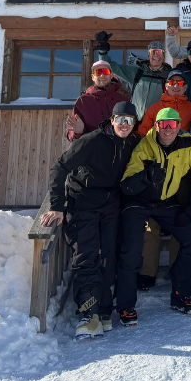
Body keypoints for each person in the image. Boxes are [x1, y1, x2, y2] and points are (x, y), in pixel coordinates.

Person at [43, 101, 140, 339]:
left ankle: (103, 310)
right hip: (83, 202)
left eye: (129, 121)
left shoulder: (133, 142)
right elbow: (59, 168)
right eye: (120, 119)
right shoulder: (93, 141)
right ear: (112, 120)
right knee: (86, 256)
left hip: (111, 204)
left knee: (109, 255)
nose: (125, 125)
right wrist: (57, 206)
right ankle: (89, 313)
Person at [114, 107, 191, 322]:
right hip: (138, 202)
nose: (167, 129)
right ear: (156, 126)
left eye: (172, 124)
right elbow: (127, 186)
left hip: (165, 202)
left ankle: (181, 294)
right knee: (132, 247)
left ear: (179, 126)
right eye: (163, 124)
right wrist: (146, 176)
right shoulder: (144, 146)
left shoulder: (189, 145)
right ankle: (125, 305)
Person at [134, 69, 191, 290]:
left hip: (183, 174)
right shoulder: (154, 109)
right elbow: (142, 135)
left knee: (182, 221)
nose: (176, 86)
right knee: (151, 223)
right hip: (157, 173)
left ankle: (178, 268)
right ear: (166, 85)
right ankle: (147, 272)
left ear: (186, 87)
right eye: (172, 83)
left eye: (180, 83)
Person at [95, 33, 171, 121]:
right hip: (135, 122)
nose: (156, 55)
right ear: (149, 55)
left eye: (159, 52)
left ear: (163, 56)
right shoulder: (137, 73)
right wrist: (102, 51)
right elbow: (110, 66)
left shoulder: (169, 76)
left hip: (156, 123)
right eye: (153, 52)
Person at [66, 60, 132, 141]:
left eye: (105, 71)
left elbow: (133, 127)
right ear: (93, 77)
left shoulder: (123, 100)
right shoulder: (83, 101)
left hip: (118, 147)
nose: (102, 75)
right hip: (93, 147)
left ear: (111, 75)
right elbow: (71, 136)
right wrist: (78, 132)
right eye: (98, 72)